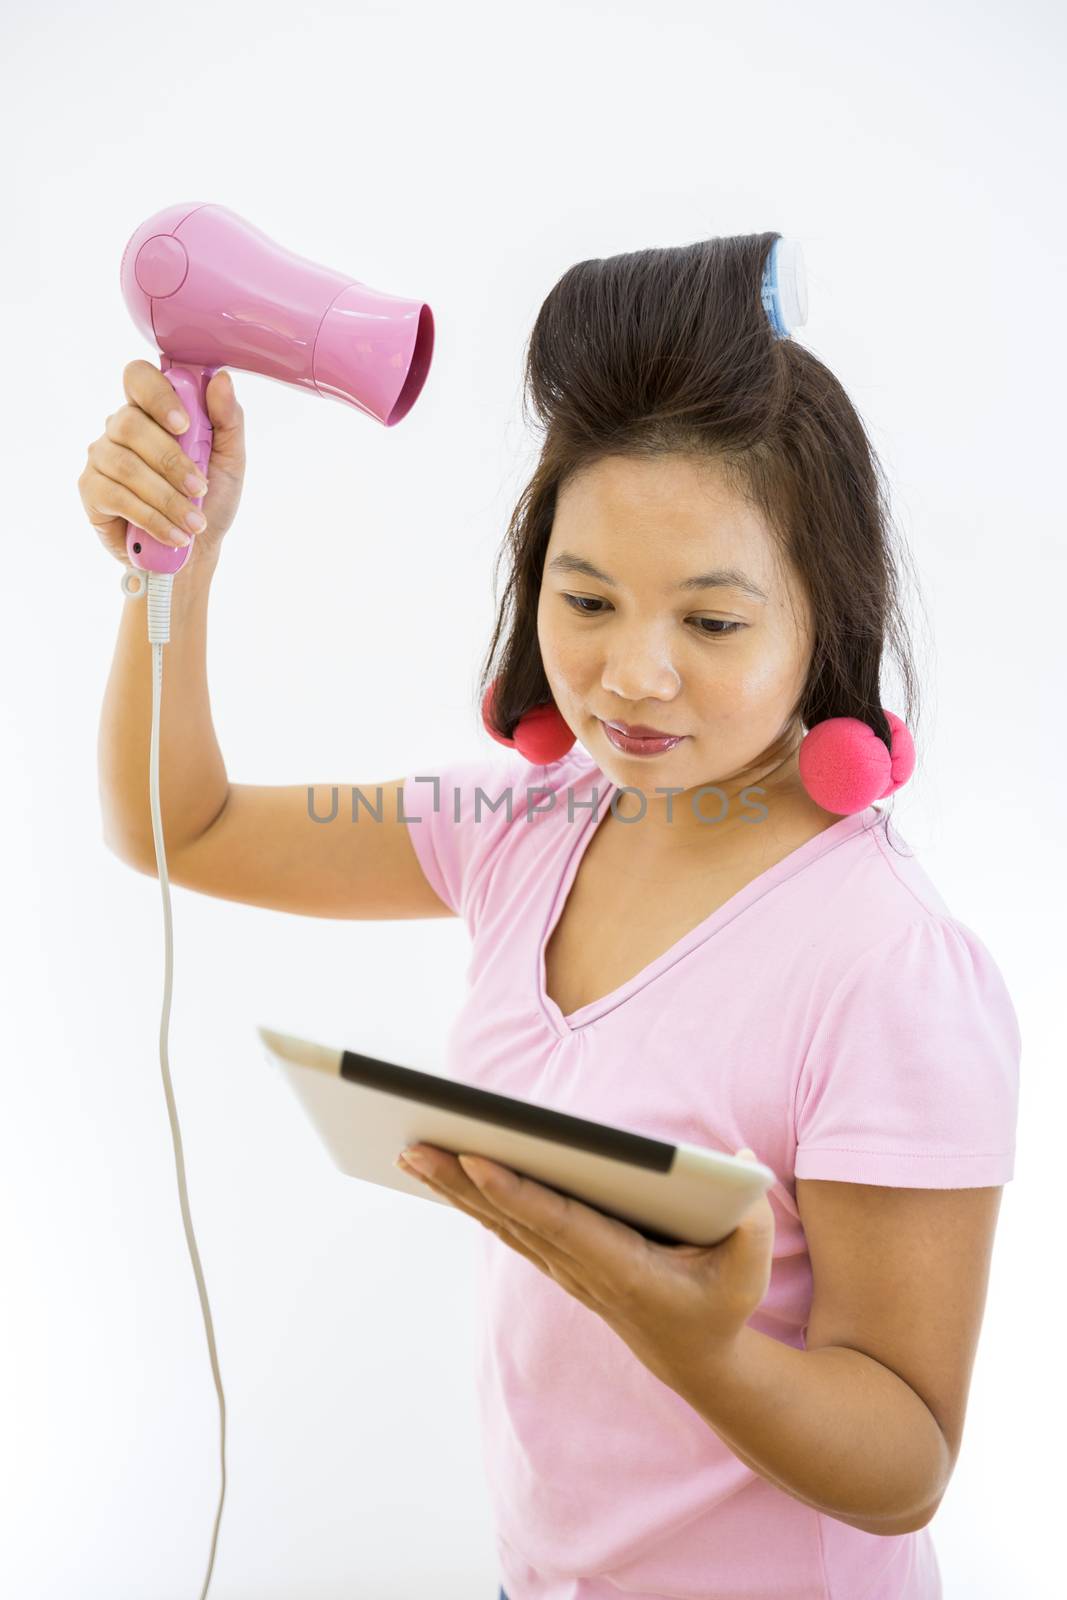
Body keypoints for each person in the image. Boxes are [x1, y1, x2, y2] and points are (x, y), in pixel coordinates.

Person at [84, 232, 1021, 1600]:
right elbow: (184, 823)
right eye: (586, 601)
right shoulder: (523, 828)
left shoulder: (894, 970)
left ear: (825, 618)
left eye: (712, 623)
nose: (632, 676)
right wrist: (175, 563)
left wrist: (695, 1341)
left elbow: (908, 1459)